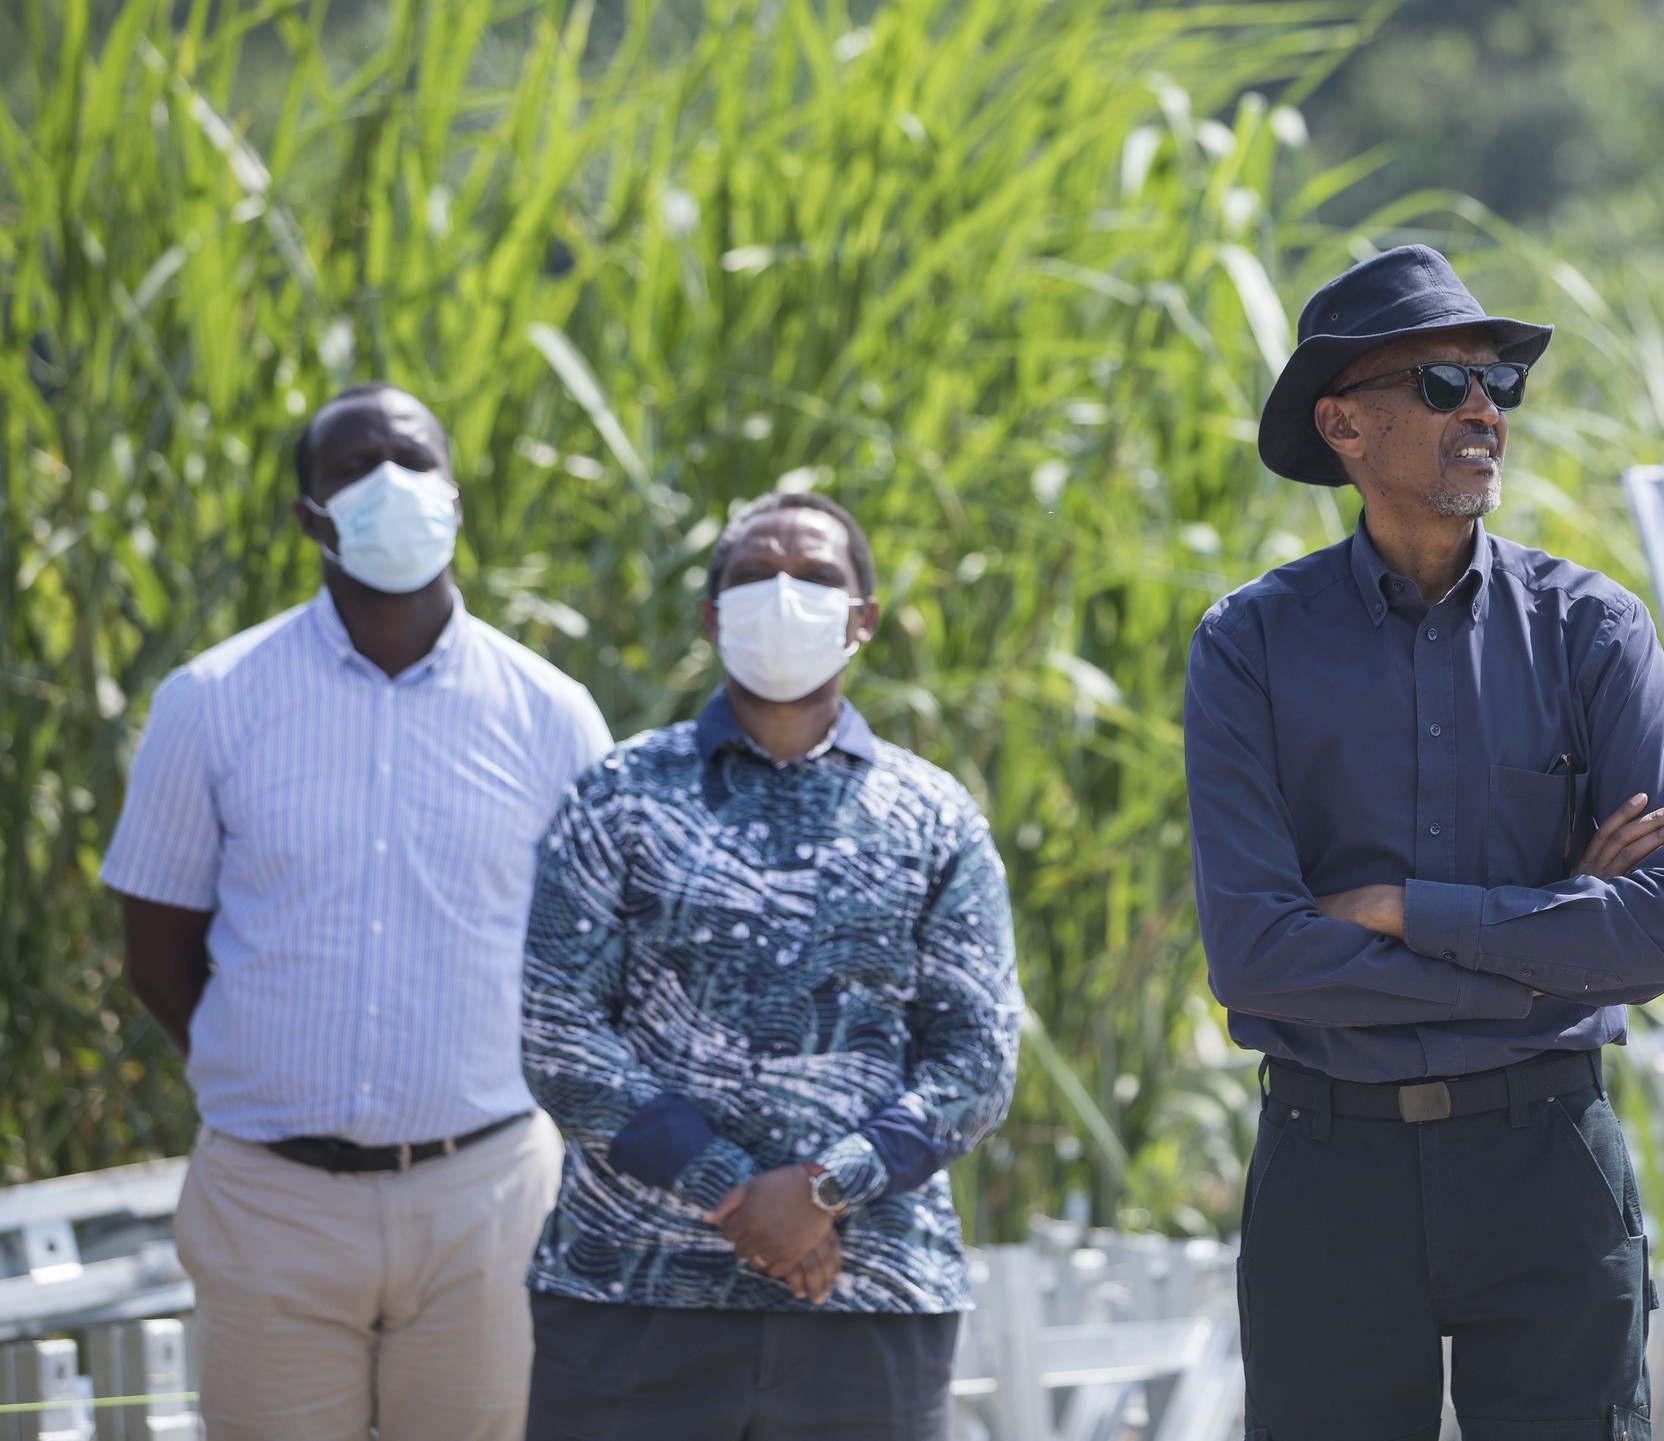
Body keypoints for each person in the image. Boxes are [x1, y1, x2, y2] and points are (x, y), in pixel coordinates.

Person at [1184, 246, 1664, 1439]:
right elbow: (1257, 959)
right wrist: (1542, 942)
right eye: (1440, 385)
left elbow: (1658, 927)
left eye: (1495, 386)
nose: (1481, 411)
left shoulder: (1593, 633)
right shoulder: (1245, 649)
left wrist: (1403, 907)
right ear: (1343, 427)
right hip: (1329, 1164)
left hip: (1545, 1162)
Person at [100, 383, 612, 1441]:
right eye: (354, 469)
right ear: (308, 517)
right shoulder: (212, 702)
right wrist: (268, 1069)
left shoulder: (551, 715)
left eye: (414, 463)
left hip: (486, 1196)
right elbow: (156, 955)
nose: (391, 487)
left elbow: (596, 955)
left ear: (456, 500)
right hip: (272, 1199)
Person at [520, 491, 1021, 1441]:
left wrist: (823, 1188)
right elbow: (557, 1032)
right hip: (632, 1289)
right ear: (712, 617)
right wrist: (731, 1189)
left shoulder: (934, 817)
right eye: (755, 575)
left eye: (817, 576)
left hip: (871, 1295)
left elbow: (976, 1062)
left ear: (863, 620)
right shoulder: (620, 795)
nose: (784, 594)